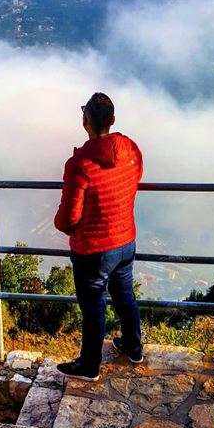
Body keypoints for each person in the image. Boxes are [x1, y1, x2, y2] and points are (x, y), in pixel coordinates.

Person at [54, 92, 143, 381]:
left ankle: (90, 366)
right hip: (126, 240)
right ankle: (133, 346)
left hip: (93, 251)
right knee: (125, 297)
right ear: (113, 120)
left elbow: (68, 217)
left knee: (94, 309)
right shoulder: (130, 149)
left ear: (85, 122)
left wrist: (71, 229)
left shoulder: (80, 165)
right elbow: (135, 177)